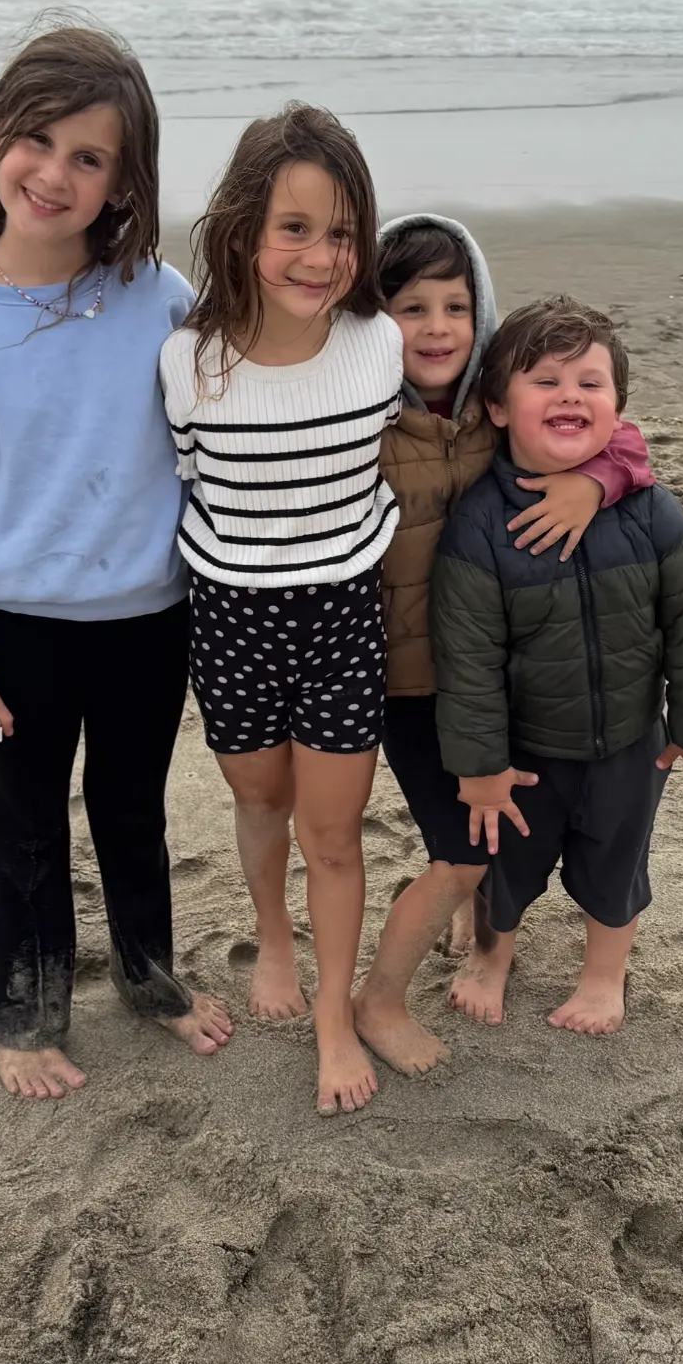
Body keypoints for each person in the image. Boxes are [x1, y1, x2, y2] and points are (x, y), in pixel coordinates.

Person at [0, 24, 232, 1101]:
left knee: (133, 808)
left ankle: (148, 974)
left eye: (91, 157)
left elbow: (222, 426)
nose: (56, 172)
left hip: (147, 616)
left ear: (124, 177)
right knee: (26, 825)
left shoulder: (159, 296)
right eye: (39, 139)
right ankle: (25, 1010)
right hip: (16, 629)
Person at [364, 294, 683, 1057]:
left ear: (619, 408)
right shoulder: (479, 525)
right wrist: (479, 771)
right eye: (546, 380)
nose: (571, 395)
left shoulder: (652, 512)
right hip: (526, 751)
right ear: (499, 408)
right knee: (506, 868)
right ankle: (490, 957)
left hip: (629, 744)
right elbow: (468, 661)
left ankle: (603, 976)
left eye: (591, 382)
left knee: (617, 863)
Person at [355, 222, 655, 1073]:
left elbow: (617, 437)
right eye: (410, 307)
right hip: (410, 681)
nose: (438, 325)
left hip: (508, 679)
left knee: (493, 828)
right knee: (463, 847)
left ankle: (478, 927)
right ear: (374, 319)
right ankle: (378, 999)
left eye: (456, 305)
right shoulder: (362, 417)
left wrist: (594, 481)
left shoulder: (501, 404)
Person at [160, 103, 403, 1115]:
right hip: (229, 613)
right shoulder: (188, 360)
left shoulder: (379, 342)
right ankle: (271, 939)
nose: (317, 255)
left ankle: (335, 1012)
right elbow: (186, 476)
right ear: (242, 231)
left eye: (339, 231)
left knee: (334, 833)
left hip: (345, 609)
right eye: (293, 229)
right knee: (259, 800)